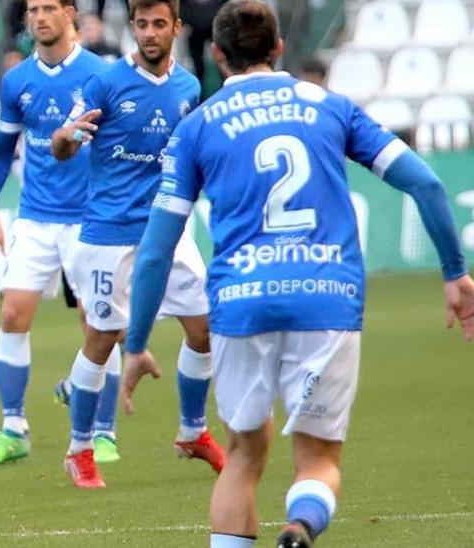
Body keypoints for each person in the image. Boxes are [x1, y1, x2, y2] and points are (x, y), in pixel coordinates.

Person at [122, 2, 474, 547]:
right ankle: (300, 525)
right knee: (316, 460)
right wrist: (455, 273)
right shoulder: (330, 106)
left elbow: (154, 252)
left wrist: (137, 343)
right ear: (279, 46)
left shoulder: (197, 126)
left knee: (243, 456)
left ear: (217, 55)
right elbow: (426, 184)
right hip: (326, 298)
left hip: (241, 301)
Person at [49, 0, 224, 489]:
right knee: (102, 339)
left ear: (176, 28)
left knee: (204, 327)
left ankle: (193, 432)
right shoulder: (105, 82)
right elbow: (63, 147)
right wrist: (64, 136)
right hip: (108, 234)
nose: (150, 33)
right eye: (142, 24)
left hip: (167, 231)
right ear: (133, 28)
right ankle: (80, 448)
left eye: (158, 24)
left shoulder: (189, 88)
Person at [0, 0, 118, 466]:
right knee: (13, 313)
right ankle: (14, 429)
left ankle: (103, 433)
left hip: (91, 220)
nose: (39, 17)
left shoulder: (103, 75)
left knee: (97, 325)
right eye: (33, 9)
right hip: (35, 217)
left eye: (49, 8)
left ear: (70, 13)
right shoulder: (16, 81)